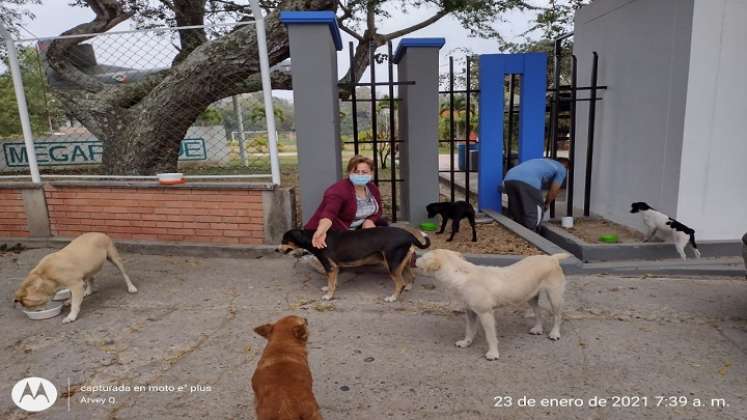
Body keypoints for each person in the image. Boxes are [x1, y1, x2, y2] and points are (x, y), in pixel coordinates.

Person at [304, 155, 387, 249]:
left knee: (384, 228)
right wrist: (321, 231)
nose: (360, 175)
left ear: (371, 173)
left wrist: (370, 220)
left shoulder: (372, 188)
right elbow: (329, 214)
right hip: (337, 231)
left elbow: (378, 210)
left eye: (364, 172)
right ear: (349, 173)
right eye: (356, 172)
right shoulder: (338, 190)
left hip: (359, 228)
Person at [503, 158, 567, 231]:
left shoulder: (541, 161)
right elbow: (554, 190)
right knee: (535, 212)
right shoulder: (561, 168)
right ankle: (532, 235)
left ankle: (517, 234)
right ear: (566, 166)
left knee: (517, 209)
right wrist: (547, 203)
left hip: (509, 178)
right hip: (528, 181)